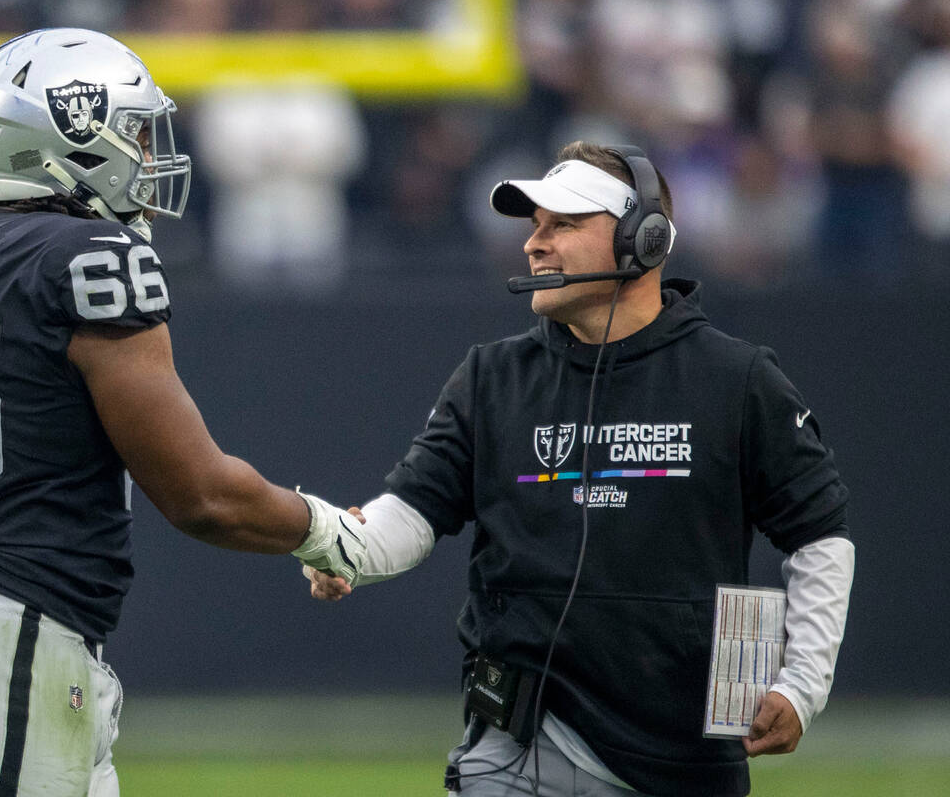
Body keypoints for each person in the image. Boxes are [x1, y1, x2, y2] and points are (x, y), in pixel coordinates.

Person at [0, 28, 363, 797]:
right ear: (67, 136)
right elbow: (201, 496)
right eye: (133, 131)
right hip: (4, 639)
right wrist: (325, 531)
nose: (146, 155)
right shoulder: (89, 260)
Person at [306, 142, 855, 796]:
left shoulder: (738, 381)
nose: (535, 244)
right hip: (515, 748)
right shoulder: (490, 378)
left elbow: (818, 535)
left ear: (644, 239)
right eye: (534, 227)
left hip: (681, 761)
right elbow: (413, 511)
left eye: (563, 224)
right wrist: (338, 541)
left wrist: (802, 687)